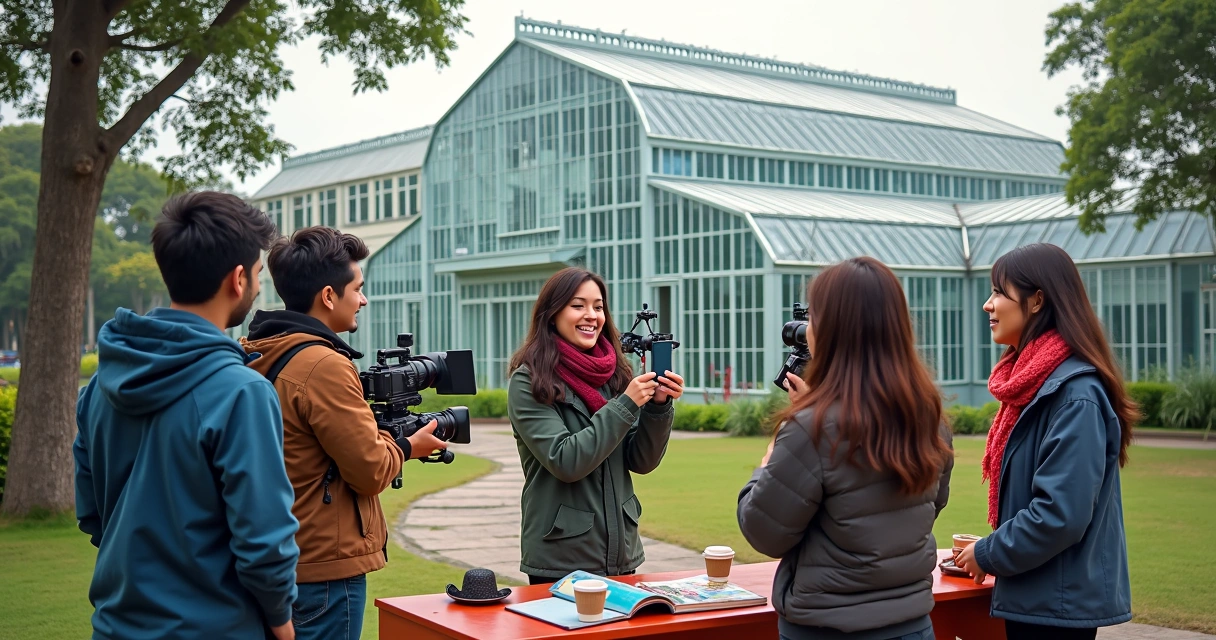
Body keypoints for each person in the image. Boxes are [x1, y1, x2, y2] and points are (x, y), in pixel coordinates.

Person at [74, 192, 299, 640]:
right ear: (238, 279)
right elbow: (263, 538)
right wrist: (281, 621)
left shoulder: (99, 385)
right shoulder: (243, 392)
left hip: (117, 624)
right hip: (215, 627)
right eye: (257, 275)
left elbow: (92, 513)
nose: (257, 287)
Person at [241, 226, 447, 640]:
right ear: (329, 296)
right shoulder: (324, 364)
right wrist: (408, 444)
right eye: (358, 288)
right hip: (325, 571)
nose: (364, 299)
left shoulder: (258, 351)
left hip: (276, 558)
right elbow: (370, 470)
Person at [737, 257, 954, 640]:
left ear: (833, 331)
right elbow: (927, 508)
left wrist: (774, 451)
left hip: (828, 627)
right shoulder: (929, 415)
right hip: (913, 623)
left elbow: (765, 531)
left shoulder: (812, 428)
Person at [954, 243, 1135, 640]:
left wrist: (989, 552)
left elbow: (1060, 515)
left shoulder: (1074, 394)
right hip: (1037, 598)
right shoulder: (1035, 386)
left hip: (1056, 609)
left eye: (999, 292)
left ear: (1037, 300)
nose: (988, 305)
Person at [506, 267, 685, 584]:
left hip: (622, 553)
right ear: (552, 314)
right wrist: (627, 404)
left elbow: (641, 461)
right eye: (578, 305)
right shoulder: (529, 381)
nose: (591, 315)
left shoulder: (615, 374)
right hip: (561, 559)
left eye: (598, 306)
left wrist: (658, 407)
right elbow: (566, 460)